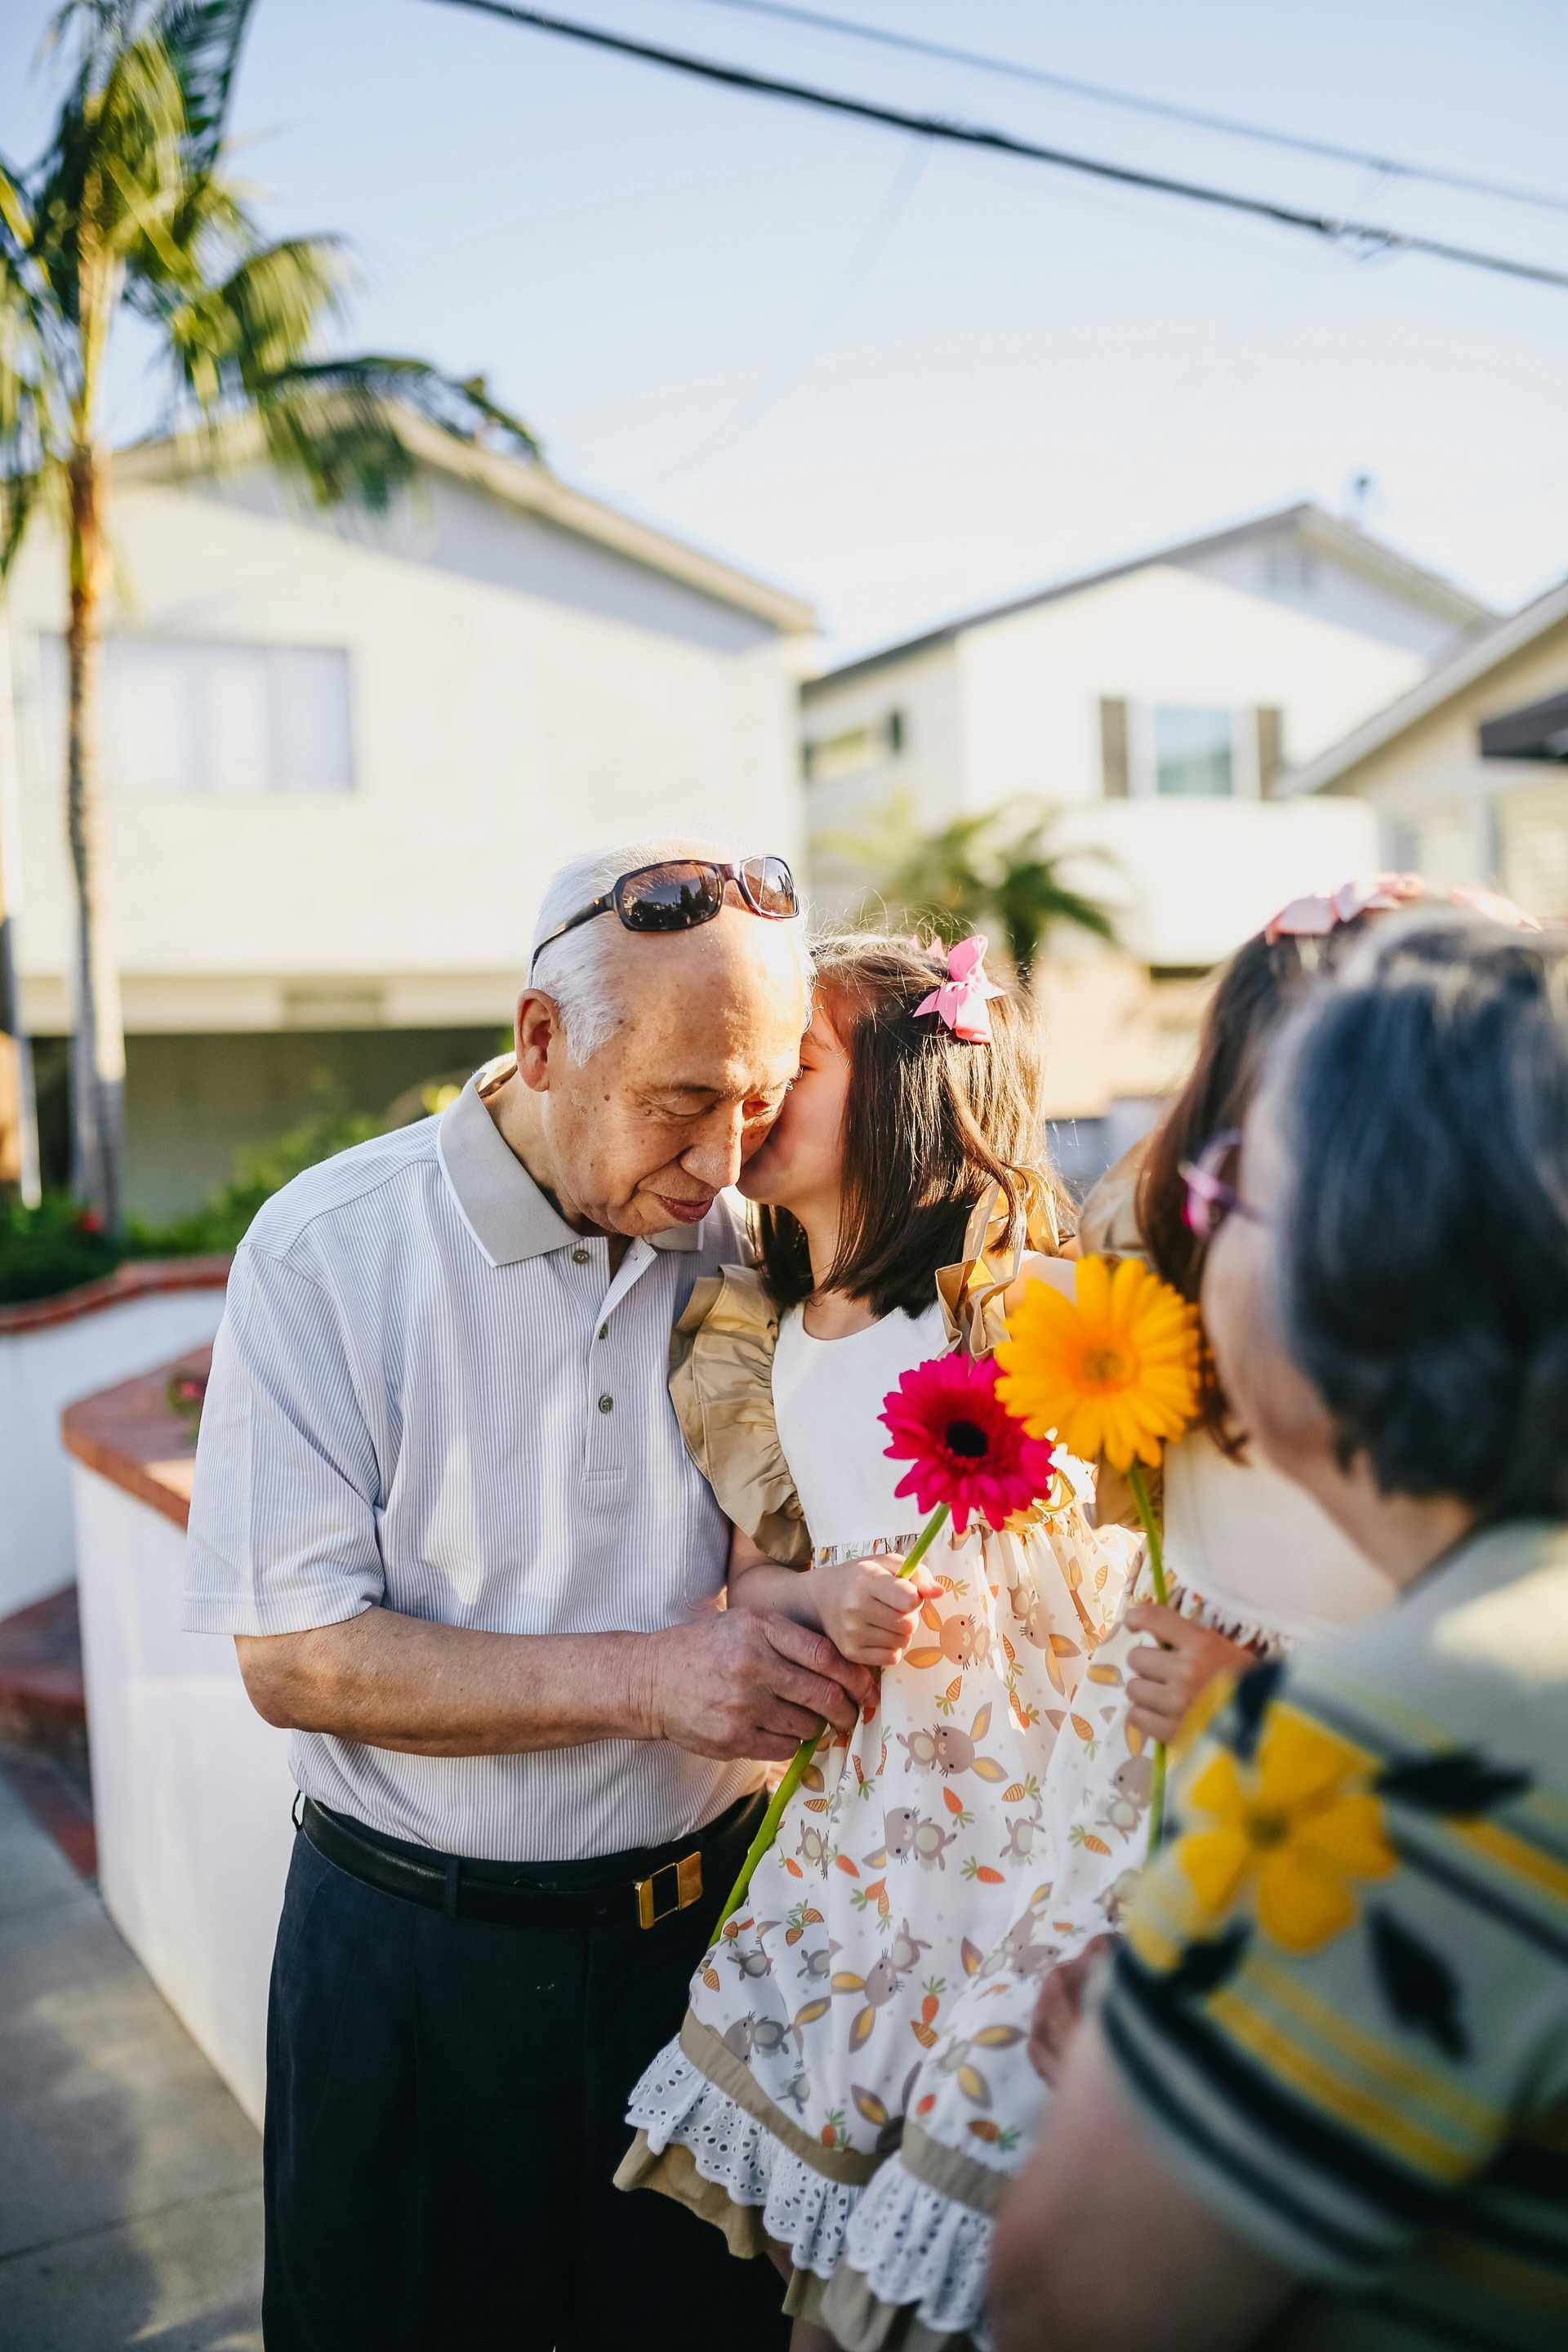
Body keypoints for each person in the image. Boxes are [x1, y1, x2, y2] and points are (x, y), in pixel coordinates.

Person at [183, 840, 875, 2352]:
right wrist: (653, 1678)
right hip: (414, 1973)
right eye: (682, 1105)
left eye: (756, 1104)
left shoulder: (755, 1233)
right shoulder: (324, 1252)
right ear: (542, 1040)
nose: (722, 1162)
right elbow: (295, 1655)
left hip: (708, 1966)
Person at [820, 887, 1400, 2352]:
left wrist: (1254, 1705)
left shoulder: (1471, 1364)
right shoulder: (1160, 1296)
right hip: (1138, 1850)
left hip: (1341, 1899)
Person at [990, 907, 1568, 2352]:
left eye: (1235, 1181)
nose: (1191, 1214)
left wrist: (1147, 2046)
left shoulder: (1393, 1738)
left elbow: (1073, 2301)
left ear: (1364, 1260)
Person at [616, 933, 1142, 2345]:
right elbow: (760, 1581)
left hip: (1018, 1779)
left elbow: (1107, 1515)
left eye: (801, 1063)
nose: (760, 1092)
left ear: (909, 1084)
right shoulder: (761, 1334)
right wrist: (822, 1603)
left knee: (985, 2131)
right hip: (878, 1811)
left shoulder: (995, 1305)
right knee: (857, 2157)